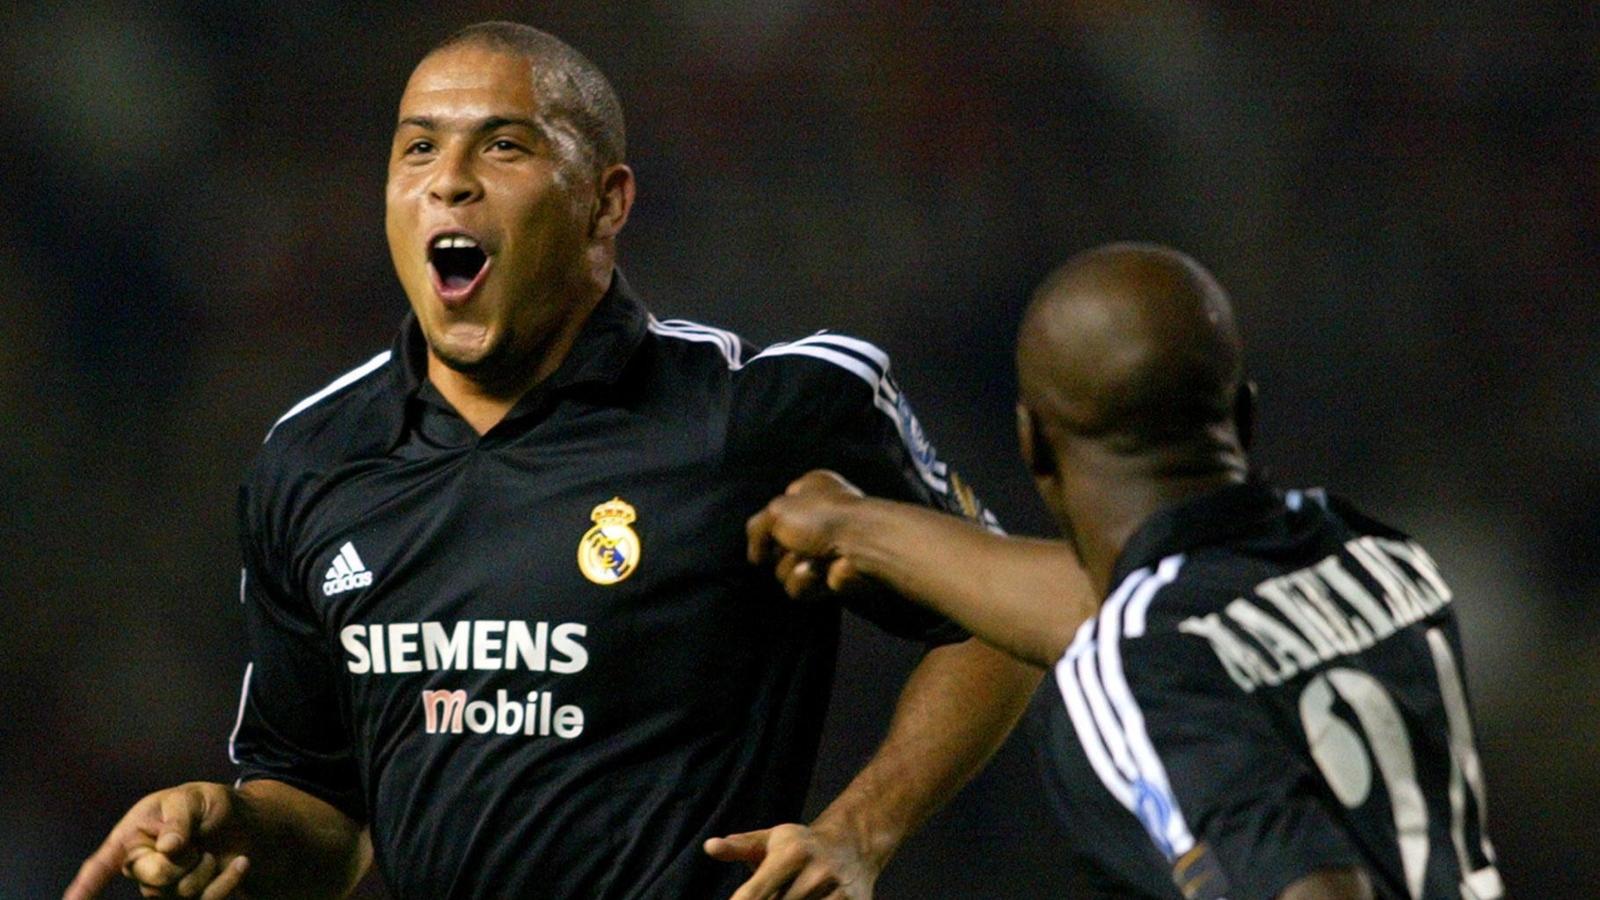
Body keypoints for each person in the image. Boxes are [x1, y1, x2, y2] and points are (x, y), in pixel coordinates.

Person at [65, 21, 1040, 900]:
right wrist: (230, 826)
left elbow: (1000, 624)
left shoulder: (758, 412)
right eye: (417, 147)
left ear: (605, 202)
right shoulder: (311, 461)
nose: (449, 178)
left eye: (503, 144)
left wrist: (860, 833)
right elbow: (327, 824)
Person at [747, 243, 1504, 899]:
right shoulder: (1377, 557)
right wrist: (856, 523)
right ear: (1241, 415)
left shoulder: (1137, 668)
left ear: (1033, 447)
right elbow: (1129, 615)